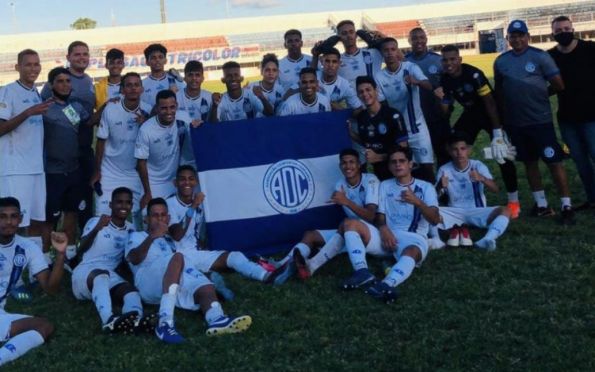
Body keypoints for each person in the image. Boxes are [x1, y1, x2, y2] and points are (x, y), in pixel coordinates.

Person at [126, 198, 252, 344]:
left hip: (169, 277)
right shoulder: (136, 236)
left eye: (163, 215)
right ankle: (165, 323)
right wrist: (152, 236)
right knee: (178, 257)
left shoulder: (170, 240)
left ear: (168, 218)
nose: (159, 219)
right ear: (147, 219)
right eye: (155, 215)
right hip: (147, 281)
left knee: (204, 284)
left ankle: (216, 318)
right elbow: (133, 258)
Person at [494, 20, 574, 224]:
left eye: (521, 35)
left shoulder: (540, 56)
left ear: (528, 36)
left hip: (541, 121)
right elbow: (500, 92)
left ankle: (566, 205)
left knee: (554, 162)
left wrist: (541, 95)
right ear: (508, 39)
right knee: (529, 163)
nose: (517, 39)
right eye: (513, 36)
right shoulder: (501, 61)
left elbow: (558, 84)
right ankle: (542, 205)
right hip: (516, 123)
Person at [342, 146, 440, 303]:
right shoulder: (385, 185)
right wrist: (383, 228)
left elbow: (435, 219)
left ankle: (386, 284)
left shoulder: (426, 187)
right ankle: (362, 272)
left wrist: (418, 202)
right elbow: (379, 216)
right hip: (386, 238)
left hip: (414, 238)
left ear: (410, 164)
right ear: (389, 166)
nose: (398, 165)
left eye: (402, 161)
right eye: (393, 162)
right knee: (350, 223)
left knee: (412, 252)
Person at [272, 148, 380, 282]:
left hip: (374, 233)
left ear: (359, 165)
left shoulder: (370, 180)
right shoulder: (340, 185)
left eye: (352, 162)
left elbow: (371, 216)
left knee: (347, 223)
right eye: (344, 163)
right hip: (351, 231)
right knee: (310, 235)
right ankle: (283, 264)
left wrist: (346, 201)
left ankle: (313, 265)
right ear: (340, 166)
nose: (348, 166)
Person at [436, 44, 520, 218]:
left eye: (452, 59)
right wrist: (441, 101)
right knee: (451, 146)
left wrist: (497, 131)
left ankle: (514, 201)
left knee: (502, 154)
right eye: (445, 60)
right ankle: (451, 192)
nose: (449, 63)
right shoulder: (444, 78)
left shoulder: (473, 74)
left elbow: (489, 102)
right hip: (471, 114)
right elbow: (446, 107)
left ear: (459, 59)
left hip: (491, 113)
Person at [166, 165, 288, 284]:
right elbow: (177, 235)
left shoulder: (200, 202)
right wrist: (193, 206)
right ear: (175, 183)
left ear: (196, 182)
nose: (187, 182)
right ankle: (266, 275)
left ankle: (267, 274)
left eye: (190, 179)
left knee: (234, 257)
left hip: (196, 253)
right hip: (178, 257)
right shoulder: (169, 204)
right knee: (231, 262)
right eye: (182, 179)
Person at [73, 187, 155, 334]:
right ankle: (108, 320)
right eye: (119, 202)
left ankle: (134, 320)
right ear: (111, 205)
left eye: (128, 203)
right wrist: (97, 228)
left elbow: (128, 259)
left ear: (131, 206)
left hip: (109, 274)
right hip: (85, 272)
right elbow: (80, 249)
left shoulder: (131, 229)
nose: (123, 206)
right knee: (101, 275)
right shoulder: (96, 221)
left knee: (131, 292)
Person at [0, 197, 67, 367]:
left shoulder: (28, 247)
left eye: (13, 216)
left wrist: (60, 255)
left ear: (20, 219)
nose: (9, 222)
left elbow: (50, 289)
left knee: (44, 326)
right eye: (2, 216)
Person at [0, 49, 52, 250]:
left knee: (36, 220)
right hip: (15, 170)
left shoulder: (35, 93)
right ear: (17, 67)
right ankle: (10, 265)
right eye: (28, 64)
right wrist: (28, 112)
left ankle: (34, 267)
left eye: (36, 64)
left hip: (36, 168)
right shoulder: (7, 91)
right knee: (14, 223)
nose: (33, 68)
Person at [42, 41, 96, 231]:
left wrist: (108, 106)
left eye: (85, 54)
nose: (82, 58)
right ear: (69, 57)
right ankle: (47, 254)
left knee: (80, 202)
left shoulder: (88, 81)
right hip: (56, 162)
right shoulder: (52, 88)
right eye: (77, 54)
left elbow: (86, 120)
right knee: (53, 211)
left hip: (81, 151)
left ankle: (78, 246)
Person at [42, 67, 91, 260]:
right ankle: (45, 258)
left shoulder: (75, 107)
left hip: (74, 171)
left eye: (68, 81)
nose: (65, 85)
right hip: (52, 173)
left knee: (71, 213)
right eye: (60, 81)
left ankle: (69, 256)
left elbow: (89, 123)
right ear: (51, 85)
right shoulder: (44, 109)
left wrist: (108, 106)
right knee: (49, 219)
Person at [548, 15, 595, 211]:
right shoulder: (550, 56)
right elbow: (549, 85)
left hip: (592, 116)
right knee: (580, 162)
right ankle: (592, 199)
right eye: (558, 31)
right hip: (567, 119)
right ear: (553, 34)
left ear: (573, 28)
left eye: (566, 28)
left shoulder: (590, 49)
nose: (563, 33)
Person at [92, 72, 150, 228]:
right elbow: (100, 141)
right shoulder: (111, 109)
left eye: (136, 85)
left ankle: (137, 248)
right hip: (110, 171)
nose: (133, 88)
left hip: (135, 173)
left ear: (142, 89)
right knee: (103, 218)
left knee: (141, 218)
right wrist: (97, 171)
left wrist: (146, 124)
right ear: (122, 89)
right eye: (129, 85)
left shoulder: (148, 111)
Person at [436, 133, 511, 250]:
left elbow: (495, 189)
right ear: (449, 151)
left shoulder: (478, 165)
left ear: (468, 150)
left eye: (462, 149)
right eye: (455, 149)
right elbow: (434, 198)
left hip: (477, 211)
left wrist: (482, 178)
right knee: (425, 210)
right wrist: (439, 186)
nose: (459, 153)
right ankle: (436, 240)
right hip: (455, 211)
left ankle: (488, 239)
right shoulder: (444, 169)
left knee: (505, 210)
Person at [375, 37, 435, 183]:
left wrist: (417, 82)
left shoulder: (411, 67)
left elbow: (429, 86)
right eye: (386, 50)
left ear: (398, 51)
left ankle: (435, 199)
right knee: (403, 170)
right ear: (382, 54)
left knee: (427, 167)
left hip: (417, 128)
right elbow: (383, 106)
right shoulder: (379, 76)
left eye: (393, 49)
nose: (389, 53)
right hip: (397, 131)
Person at [135, 90, 191, 209]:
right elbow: (141, 163)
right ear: (157, 108)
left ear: (176, 106)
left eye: (172, 107)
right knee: (153, 221)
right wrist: (147, 193)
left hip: (175, 181)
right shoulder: (146, 130)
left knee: (177, 219)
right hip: (154, 183)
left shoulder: (184, 118)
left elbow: (195, 130)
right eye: (164, 108)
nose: (169, 112)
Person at [405, 27, 451, 167]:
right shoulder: (404, 62)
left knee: (443, 153)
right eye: (414, 38)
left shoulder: (437, 60)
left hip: (436, 115)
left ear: (426, 39)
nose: (418, 41)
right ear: (409, 41)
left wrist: (446, 106)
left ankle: (444, 186)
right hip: (415, 118)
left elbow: (447, 86)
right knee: (419, 158)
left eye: (421, 37)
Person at [353, 76, 408, 181]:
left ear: (376, 90)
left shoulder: (393, 115)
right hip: (378, 173)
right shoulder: (362, 117)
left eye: (368, 90)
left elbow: (404, 150)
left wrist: (379, 157)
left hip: (398, 173)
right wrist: (350, 133)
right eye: (361, 92)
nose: (365, 94)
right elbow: (366, 140)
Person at [316, 20, 384, 87]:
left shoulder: (373, 53)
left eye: (351, 32)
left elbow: (392, 50)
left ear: (356, 35)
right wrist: (316, 54)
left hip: (373, 97)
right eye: (344, 33)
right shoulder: (336, 61)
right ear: (339, 38)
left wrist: (383, 37)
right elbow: (316, 73)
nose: (348, 36)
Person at [141, 44, 185, 108]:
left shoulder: (175, 81)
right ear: (147, 62)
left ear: (165, 60)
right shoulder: (142, 84)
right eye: (153, 58)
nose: (157, 60)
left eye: (160, 57)